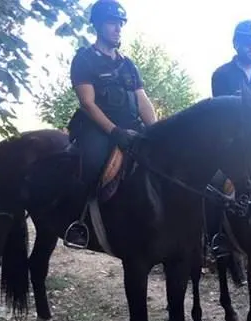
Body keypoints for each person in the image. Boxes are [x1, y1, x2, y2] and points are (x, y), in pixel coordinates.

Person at [63, 0, 157, 249]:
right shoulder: (84, 59)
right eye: (112, 23)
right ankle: (79, 222)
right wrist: (114, 132)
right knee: (92, 161)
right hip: (97, 128)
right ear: (97, 25)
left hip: (131, 126)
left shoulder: (128, 64)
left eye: (120, 24)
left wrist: (157, 131)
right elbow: (87, 103)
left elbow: (142, 101)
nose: (118, 29)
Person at [207, 19, 251, 285]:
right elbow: (220, 115)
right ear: (236, 43)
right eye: (248, 41)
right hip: (230, 147)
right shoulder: (222, 75)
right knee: (214, 185)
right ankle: (217, 240)